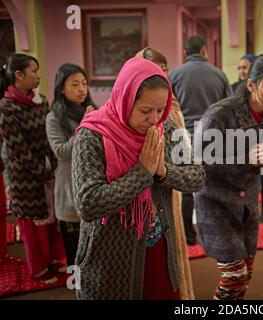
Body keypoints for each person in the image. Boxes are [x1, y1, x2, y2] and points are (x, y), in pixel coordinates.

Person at [72, 57, 205, 300]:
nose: (154, 118)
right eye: (145, 110)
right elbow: (88, 203)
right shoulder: (92, 136)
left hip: (158, 250)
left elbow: (197, 177)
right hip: (110, 259)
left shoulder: (167, 128)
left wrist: (163, 171)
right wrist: (142, 173)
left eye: (160, 109)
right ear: (125, 100)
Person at [194, 53, 263, 299]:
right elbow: (198, 159)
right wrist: (246, 157)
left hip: (246, 202)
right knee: (234, 276)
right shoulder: (220, 113)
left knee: (245, 274)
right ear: (250, 85)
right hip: (216, 201)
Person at [135, 46, 196, 300]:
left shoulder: (171, 109)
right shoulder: (126, 115)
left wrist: (165, 171)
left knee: (171, 253)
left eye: (164, 70)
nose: (162, 75)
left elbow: (188, 163)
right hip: (136, 207)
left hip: (168, 191)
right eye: (154, 70)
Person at [0, 53, 65, 282]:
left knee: (53, 219)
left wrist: (52, 165)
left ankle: (56, 260)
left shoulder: (41, 100)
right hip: (25, 177)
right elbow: (17, 148)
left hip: (47, 169)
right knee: (33, 226)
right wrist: (40, 170)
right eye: (33, 71)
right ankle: (39, 268)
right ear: (19, 75)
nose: (38, 76)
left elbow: (50, 133)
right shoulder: (8, 107)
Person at [169, 35, 232, 245]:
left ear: (186, 53)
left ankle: (189, 235)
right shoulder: (220, 75)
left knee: (187, 188)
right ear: (205, 51)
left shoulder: (174, 75)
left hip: (183, 136)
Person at [46, 64, 96, 267]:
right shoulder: (54, 118)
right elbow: (62, 152)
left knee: (95, 250)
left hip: (93, 185)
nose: (82, 89)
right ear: (61, 88)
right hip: (69, 190)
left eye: (84, 83)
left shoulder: (92, 110)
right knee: (75, 253)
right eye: (74, 84)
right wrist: (85, 125)